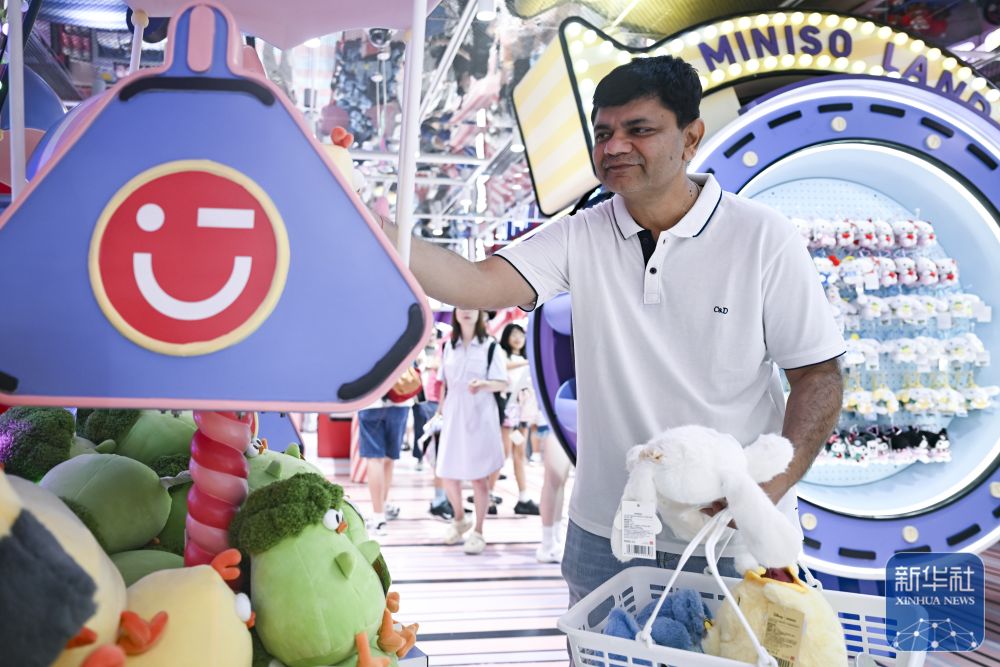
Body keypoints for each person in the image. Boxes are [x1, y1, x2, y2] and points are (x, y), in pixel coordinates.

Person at [379, 56, 844, 605]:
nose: (615, 146)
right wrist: (371, 223)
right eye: (603, 133)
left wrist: (772, 484)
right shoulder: (580, 235)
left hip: (733, 536)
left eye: (639, 130)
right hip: (607, 534)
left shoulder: (763, 238)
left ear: (691, 137)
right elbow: (476, 283)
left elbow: (818, 374)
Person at [436, 308, 509, 554]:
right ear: (455, 313)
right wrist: (439, 411)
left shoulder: (490, 346)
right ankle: (459, 519)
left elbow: (503, 382)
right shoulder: (449, 346)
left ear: (480, 313)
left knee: (479, 476)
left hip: (481, 416)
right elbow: (444, 384)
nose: (466, 311)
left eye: (471, 307)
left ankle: (478, 530)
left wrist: (484, 384)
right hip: (453, 414)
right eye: (462, 307)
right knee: (447, 472)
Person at [492, 323, 540, 515]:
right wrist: (528, 362)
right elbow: (503, 367)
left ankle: (523, 497)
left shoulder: (527, 359)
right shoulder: (502, 354)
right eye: (513, 334)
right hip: (507, 411)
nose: (518, 338)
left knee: (519, 453)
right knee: (502, 453)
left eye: (521, 334)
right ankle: (487, 494)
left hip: (522, 413)